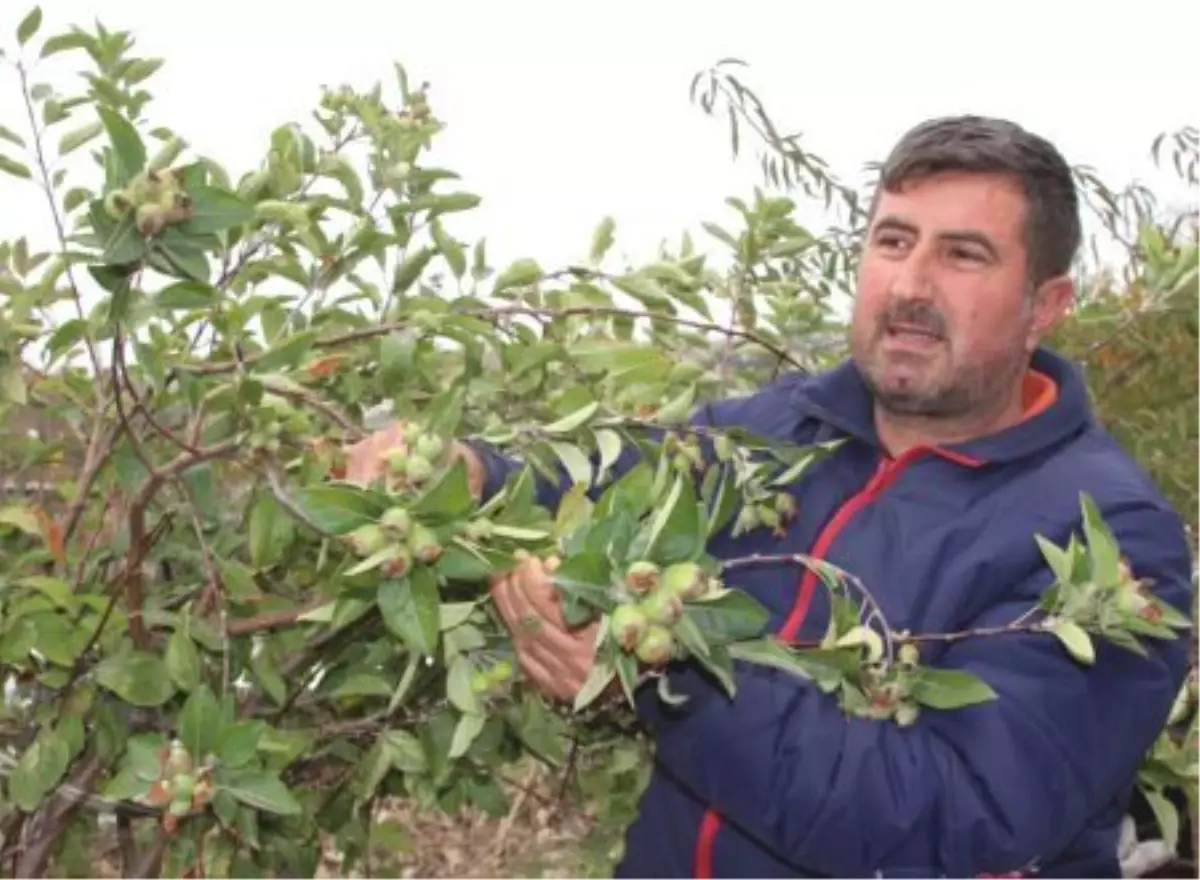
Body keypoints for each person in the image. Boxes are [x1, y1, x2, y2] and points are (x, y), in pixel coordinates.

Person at [344, 116, 1195, 878]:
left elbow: (951, 818)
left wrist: (654, 679)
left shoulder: (1114, 547)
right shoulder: (778, 431)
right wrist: (468, 472)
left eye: (963, 254)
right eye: (893, 241)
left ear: (1045, 305)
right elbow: (619, 476)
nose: (911, 285)